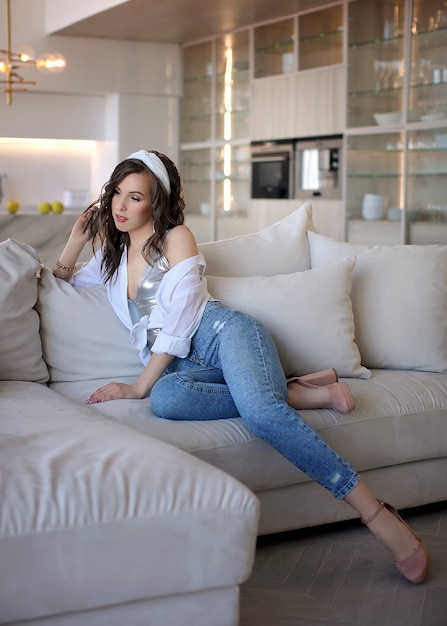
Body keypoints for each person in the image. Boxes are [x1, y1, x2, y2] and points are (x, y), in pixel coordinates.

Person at [53, 149, 430, 585]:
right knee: (168, 397)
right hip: (182, 370)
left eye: (134, 197)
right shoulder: (112, 260)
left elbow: (180, 323)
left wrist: (136, 386)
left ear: (156, 203)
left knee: (260, 414)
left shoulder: (177, 238)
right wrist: (80, 235)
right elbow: (63, 276)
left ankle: (377, 515)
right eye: (116, 193)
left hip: (226, 335)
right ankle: (296, 392)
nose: (120, 205)